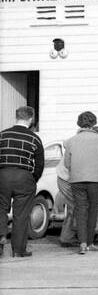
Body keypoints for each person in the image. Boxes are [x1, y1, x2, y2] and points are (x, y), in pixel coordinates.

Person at [63, 111, 98, 255]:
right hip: (95, 179)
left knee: (80, 210)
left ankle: (82, 243)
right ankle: (90, 242)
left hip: (76, 180)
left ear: (79, 124)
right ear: (94, 123)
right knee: (92, 211)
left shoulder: (71, 141)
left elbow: (66, 164)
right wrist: (97, 168)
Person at [0, 105, 44, 259]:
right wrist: (33, 179)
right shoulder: (34, 138)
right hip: (24, 177)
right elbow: (39, 164)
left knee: (0, 209)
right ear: (31, 119)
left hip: (3, 175)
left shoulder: (2, 135)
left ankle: (0, 236)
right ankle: (18, 250)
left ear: (16, 117)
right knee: (21, 214)